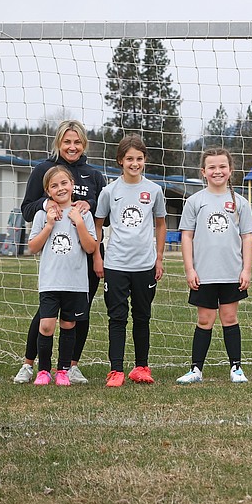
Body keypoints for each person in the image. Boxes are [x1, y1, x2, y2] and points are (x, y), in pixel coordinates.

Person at [13, 120, 107, 385]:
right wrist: (47, 204)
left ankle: (71, 366)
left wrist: (88, 204)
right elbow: (27, 208)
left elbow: (102, 215)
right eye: (67, 142)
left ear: (84, 144)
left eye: (77, 142)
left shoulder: (94, 175)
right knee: (45, 315)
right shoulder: (44, 169)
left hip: (86, 255)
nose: (72, 147)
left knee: (79, 313)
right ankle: (30, 364)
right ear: (58, 143)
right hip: (56, 257)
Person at [175, 147, 252, 385]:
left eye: (222, 166)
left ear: (230, 170)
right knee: (204, 320)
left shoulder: (240, 202)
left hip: (231, 272)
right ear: (203, 171)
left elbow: (247, 237)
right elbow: (186, 236)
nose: (217, 171)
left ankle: (236, 368)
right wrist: (190, 269)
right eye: (212, 167)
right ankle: (196, 370)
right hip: (204, 273)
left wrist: (246, 269)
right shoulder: (194, 201)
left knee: (229, 318)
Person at [94, 136, 167, 387]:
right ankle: (116, 370)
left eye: (139, 159)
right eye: (129, 159)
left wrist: (159, 258)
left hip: (145, 265)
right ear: (120, 161)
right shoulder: (109, 191)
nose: (134, 163)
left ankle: (141, 367)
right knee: (117, 317)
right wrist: (97, 256)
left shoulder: (155, 190)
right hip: (115, 264)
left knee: (142, 317)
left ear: (145, 160)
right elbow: (98, 225)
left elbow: (160, 224)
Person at [26, 165, 98, 385]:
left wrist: (78, 223)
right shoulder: (42, 215)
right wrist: (48, 226)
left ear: (72, 185)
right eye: (54, 185)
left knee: (69, 325)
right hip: (50, 282)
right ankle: (43, 370)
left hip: (75, 283)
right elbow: (32, 247)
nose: (60, 188)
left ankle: (64, 370)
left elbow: (90, 247)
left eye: (64, 183)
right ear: (48, 191)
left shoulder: (82, 214)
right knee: (46, 325)